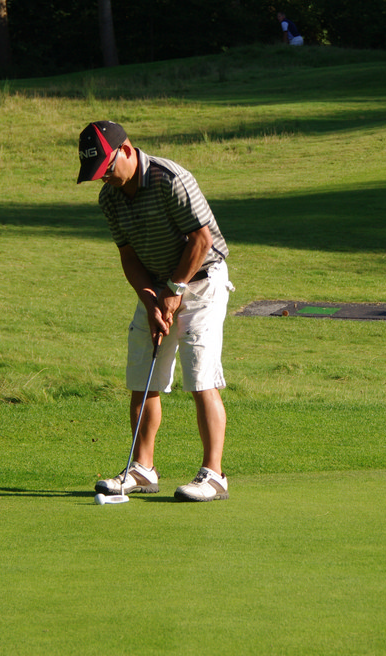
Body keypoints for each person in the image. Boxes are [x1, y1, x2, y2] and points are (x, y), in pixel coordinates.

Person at [77, 120, 235, 502]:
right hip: (159, 285)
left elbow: (202, 240)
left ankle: (214, 475)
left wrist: (174, 291)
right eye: (98, 174)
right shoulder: (109, 198)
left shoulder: (170, 179)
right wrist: (151, 300)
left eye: (107, 169)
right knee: (143, 377)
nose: (105, 179)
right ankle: (142, 469)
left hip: (202, 280)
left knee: (200, 375)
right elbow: (129, 256)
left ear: (126, 150)